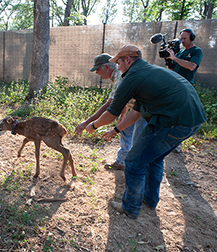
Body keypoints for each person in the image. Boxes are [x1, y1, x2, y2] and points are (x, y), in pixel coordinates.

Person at [83, 45, 206, 219]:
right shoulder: (147, 72)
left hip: (173, 121)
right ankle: (150, 200)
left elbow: (111, 113)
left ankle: (131, 207)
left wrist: (94, 125)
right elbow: (136, 111)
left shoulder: (132, 76)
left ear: (127, 59)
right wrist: (116, 130)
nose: (117, 66)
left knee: (133, 162)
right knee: (154, 159)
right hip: (193, 120)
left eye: (118, 62)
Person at [75, 53, 147, 170]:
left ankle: (137, 169)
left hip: (145, 110)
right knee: (125, 129)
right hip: (136, 108)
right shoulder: (116, 76)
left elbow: (109, 106)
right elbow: (124, 98)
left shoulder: (119, 75)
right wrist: (123, 114)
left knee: (138, 139)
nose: (97, 73)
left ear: (106, 67)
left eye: (98, 70)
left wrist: (89, 124)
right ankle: (122, 162)